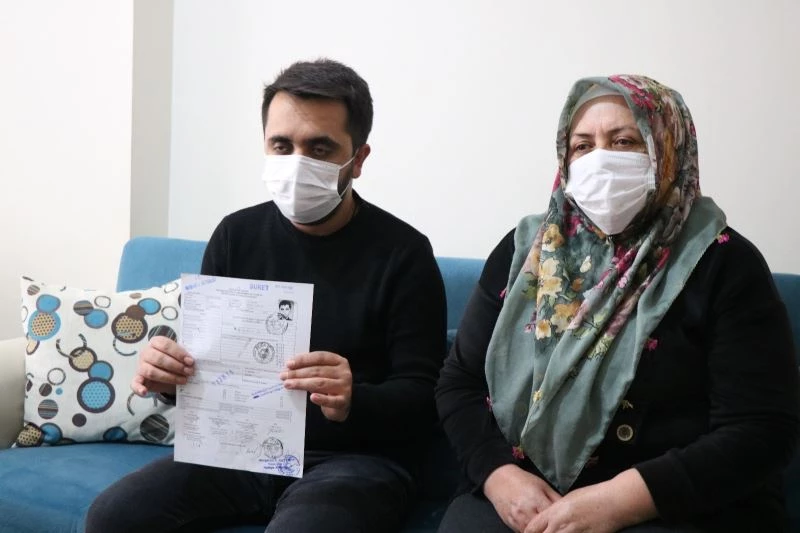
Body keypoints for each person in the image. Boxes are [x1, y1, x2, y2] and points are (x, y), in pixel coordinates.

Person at [86, 59, 447, 532]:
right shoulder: (235, 235)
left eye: (320, 148)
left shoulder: (404, 253)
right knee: (112, 517)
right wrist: (169, 376)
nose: (297, 163)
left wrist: (353, 399)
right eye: (282, 145)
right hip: (236, 448)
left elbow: (425, 396)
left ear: (358, 159)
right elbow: (207, 371)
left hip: (354, 459)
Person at [435, 75, 799, 533]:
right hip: (526, 492)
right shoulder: (525, 252)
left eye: (624, 141)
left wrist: (619, 501)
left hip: (677, 504)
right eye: (582, 146)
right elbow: (459, 383)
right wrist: (498, 476)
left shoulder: (724, 263)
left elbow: (762, 428)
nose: (600, 159)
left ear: (667, 150)